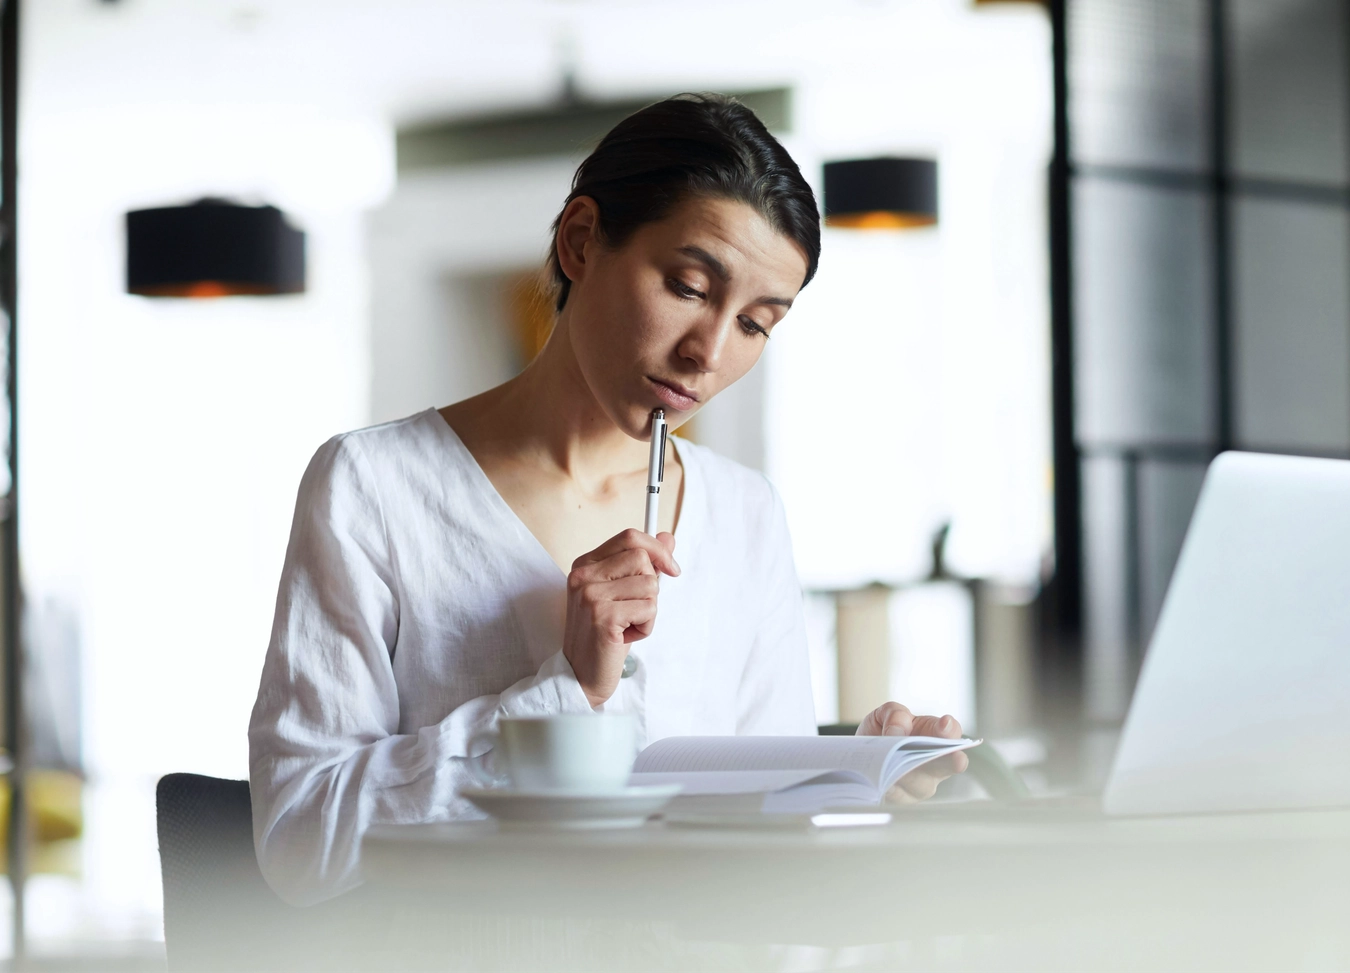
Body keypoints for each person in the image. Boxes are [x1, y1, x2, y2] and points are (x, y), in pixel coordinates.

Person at [248, 94, 966, 907]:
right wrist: (563, 694)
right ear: (582, 240)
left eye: (757, 325)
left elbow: (765, 863)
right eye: (690, 286)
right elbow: (298, 838)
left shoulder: (745, 514)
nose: (708, 353)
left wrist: (851, 778)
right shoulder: (373, 486)